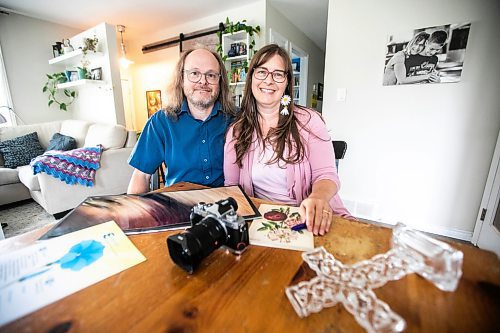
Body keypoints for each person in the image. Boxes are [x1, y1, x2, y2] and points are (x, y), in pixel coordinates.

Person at [224, 44, 352, 236]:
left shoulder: (309, 121)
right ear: (251, 78)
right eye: (262, 72)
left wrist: (318, 197)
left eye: (278, 74)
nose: (269, 80)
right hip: (264, 224)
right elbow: (232, 188)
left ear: (286, 82)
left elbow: (327, 175)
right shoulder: (237, 131)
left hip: (310, 221)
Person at [127, 48, 236, 194]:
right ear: (181, 78)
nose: (203, 81)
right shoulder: (160, 122)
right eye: (195, 73)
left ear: (220, 81)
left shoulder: (236, 119)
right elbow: (141, 176)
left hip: (227, 208)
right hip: (178, 207)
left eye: (211, 75)